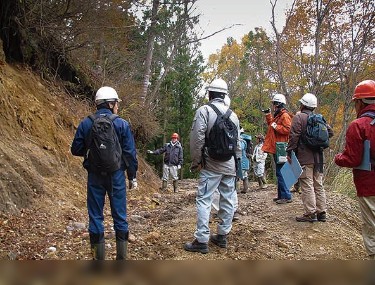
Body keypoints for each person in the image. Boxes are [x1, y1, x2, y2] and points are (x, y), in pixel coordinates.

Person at [71, 86, 138, 260]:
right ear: (110, 103)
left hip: (94, 176)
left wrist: (92, 150)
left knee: (95, 216)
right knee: (120, 215)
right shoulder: (121, 123)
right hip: (116, 175)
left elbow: (75, 149)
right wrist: (132, 176)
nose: (117, 106)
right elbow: (130, 153)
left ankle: (98, 262)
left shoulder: (87, 123)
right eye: (116, 103)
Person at [185, 78, 241, 254]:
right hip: (230, 163)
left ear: (209, 93)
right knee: (227, 198)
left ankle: (201, 240)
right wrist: (237, 165)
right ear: (224, 95)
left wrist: (196, 161)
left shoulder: (204, 111)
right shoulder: (233, 115)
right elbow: (238, 143)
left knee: (204, 199)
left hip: (211, 163)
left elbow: (197, 139)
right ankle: (222, 235)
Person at [334, 80, 375, 259]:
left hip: (369, 185)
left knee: (371, 227)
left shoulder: (358, 125)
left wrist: (338, 158)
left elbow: (352, 158)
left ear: (361, 102)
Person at [286, 93, 333, 222]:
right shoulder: (319, 118)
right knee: (318, 185)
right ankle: (322, 212)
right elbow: (330, 132)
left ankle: (310, 213)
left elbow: (294, 136)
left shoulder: (299, 117)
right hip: (319, 158)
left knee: (307, 185)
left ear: (303, 105)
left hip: (304, 157)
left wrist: (290, 152)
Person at [262, 93, 292, 204]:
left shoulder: (284, 116)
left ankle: (286, 196)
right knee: (279, 172)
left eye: (274, 103)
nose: (273, 105)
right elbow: (272, 125)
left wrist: (276, 126)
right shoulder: (278, 115)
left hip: (281, 147)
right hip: (277, 147)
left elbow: (288, 129)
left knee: (282, 172)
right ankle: (281, 195)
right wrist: (268, 115)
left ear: (279, 104)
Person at [239, 129, 251, 194]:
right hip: (244, 161)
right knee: (245, 175)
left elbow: (240, 149)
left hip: (242, 161)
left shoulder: (242, 142)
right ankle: (245, 188)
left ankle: (239, 189)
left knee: (239, 176)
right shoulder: (245, 141)